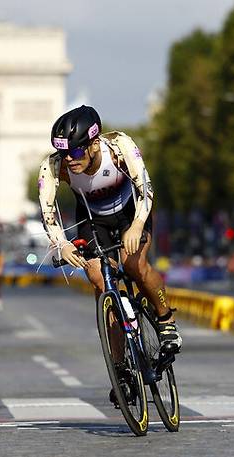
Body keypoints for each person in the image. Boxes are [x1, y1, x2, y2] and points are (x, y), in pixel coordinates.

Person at [38, 105, 182, 358]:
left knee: (133, 264)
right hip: (93, 220)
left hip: (131, 212)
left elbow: (145, 188)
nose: (69, 158)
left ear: (94, 144)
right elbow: (47, 211)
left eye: (76, 150)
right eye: (64, 152)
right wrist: (62, 244)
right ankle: (119, 364)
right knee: (99, 280)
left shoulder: (119, 147)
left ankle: (166, 320)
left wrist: (137, 225)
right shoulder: (55, 165)